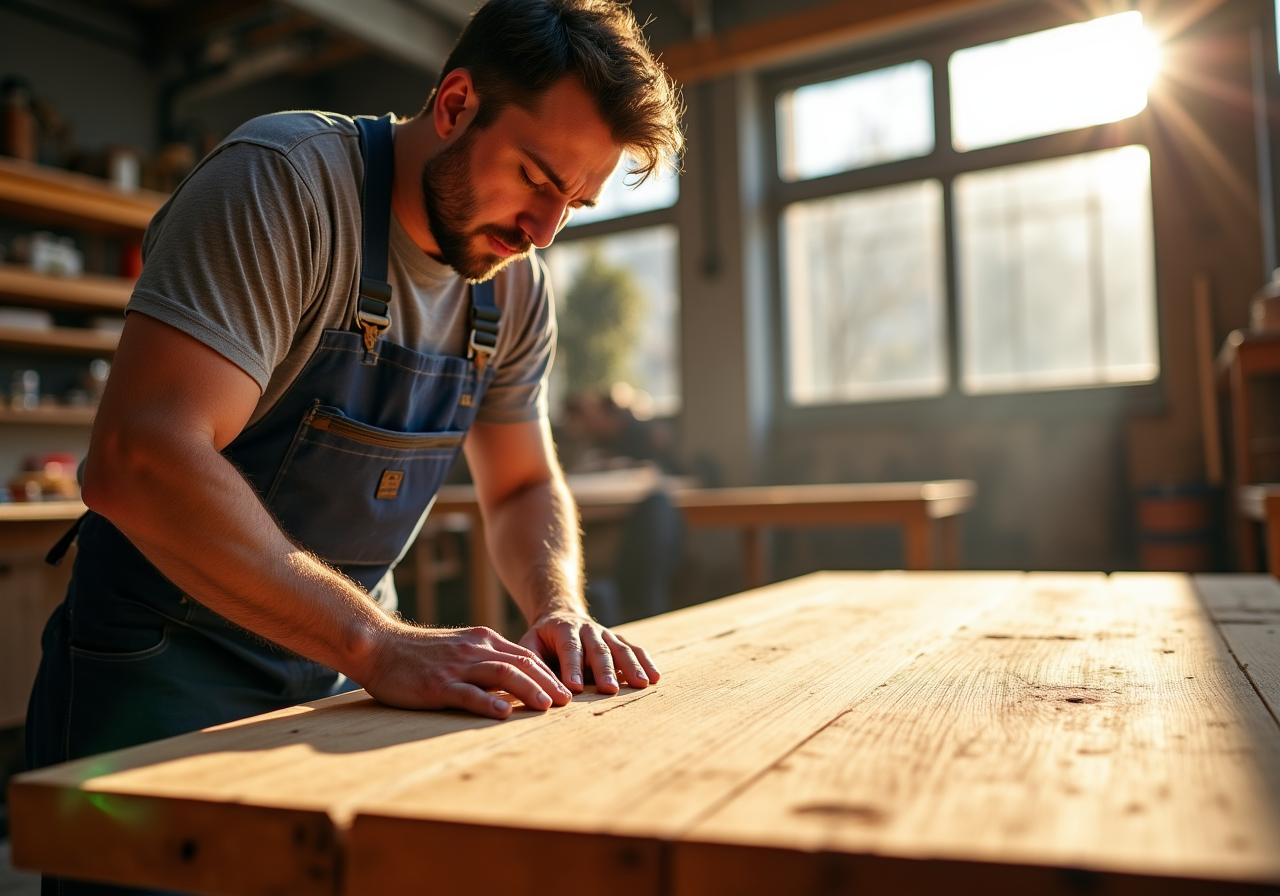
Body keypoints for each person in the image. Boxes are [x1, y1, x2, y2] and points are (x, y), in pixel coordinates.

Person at [25, 0, 683, 878]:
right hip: (161, 676)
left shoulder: (513, 283)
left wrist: (557, 606)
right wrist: (376, 643)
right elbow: (141, 462)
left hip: (340, 679)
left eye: (573, 202)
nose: (543, 232)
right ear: (454, 106)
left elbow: (524, 485)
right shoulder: (284, 184)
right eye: (534, 177)